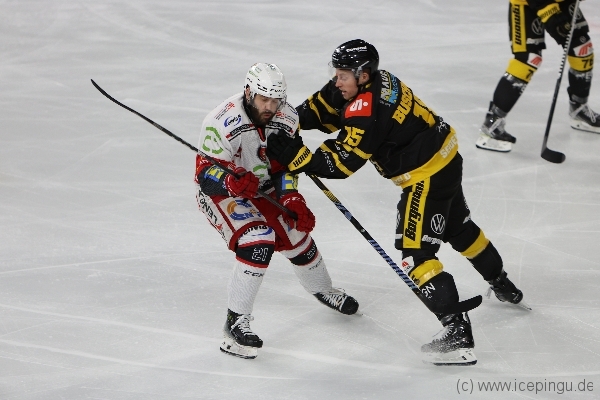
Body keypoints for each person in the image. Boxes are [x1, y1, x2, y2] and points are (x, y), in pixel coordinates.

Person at [266, 40, 528, 366]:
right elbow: (326, 105)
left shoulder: (368, 110)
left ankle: (457, 331)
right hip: (447, 159)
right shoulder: (378, 79)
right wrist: (287, 120)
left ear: (362, 75)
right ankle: (502, 283)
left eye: (343, 75)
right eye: (337, 73)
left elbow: (341, 164)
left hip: (426, 177)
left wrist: (297, 155)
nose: (337, 80)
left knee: (416, 255)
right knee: (459, 229)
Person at [195, 62, 359, 359]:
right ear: (249, 92)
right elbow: (205, 174)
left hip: (264, 188)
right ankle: (234, 325)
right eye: (263, 99)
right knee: (258, 241)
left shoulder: (287, 117)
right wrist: (230, 181)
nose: (270, 107)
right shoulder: (221, 121)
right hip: (224, 193)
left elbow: (285, 165)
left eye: (276, 100)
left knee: (297, 234)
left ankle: (323, 289)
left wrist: (292, 197)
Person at [476, 0, 598, 152]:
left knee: (582, 48)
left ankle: (579, 109)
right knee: (529, 59)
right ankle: (492, 123)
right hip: (528, 4)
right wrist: (549, 13)